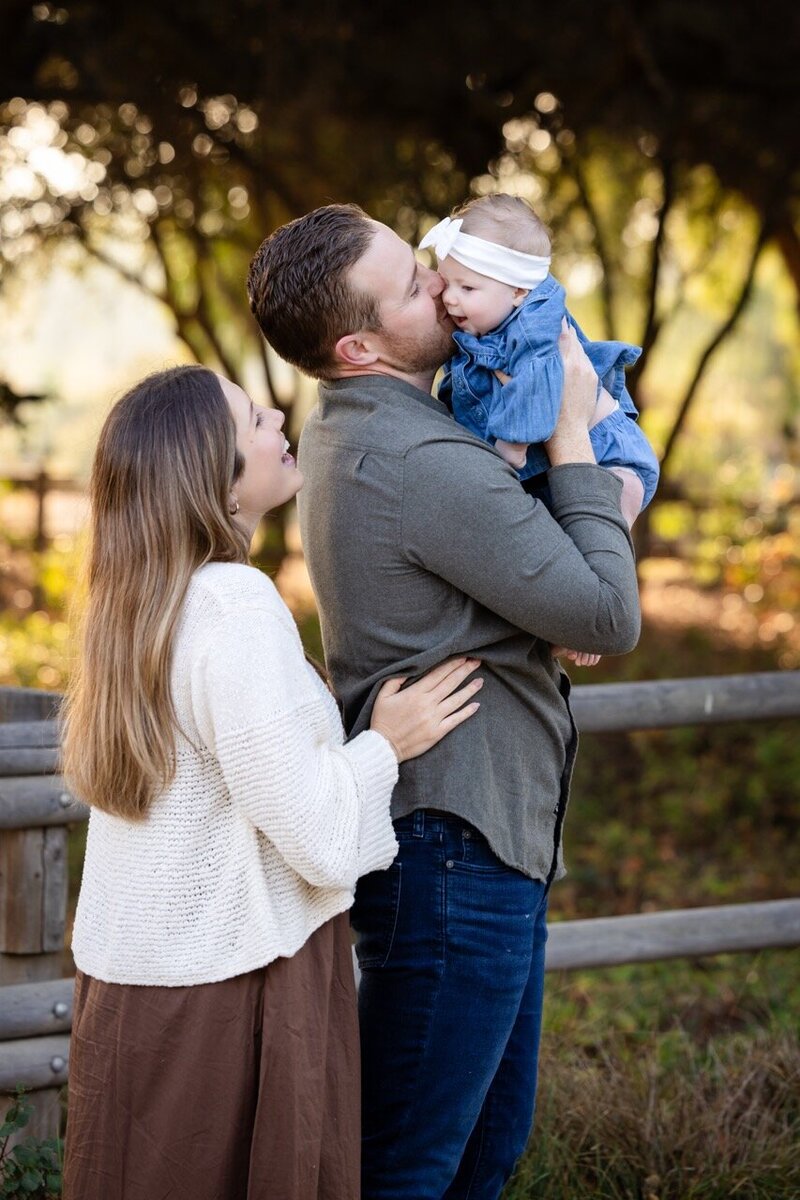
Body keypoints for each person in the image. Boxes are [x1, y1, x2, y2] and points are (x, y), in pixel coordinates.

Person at [247, 204, 641, 1200]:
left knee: (476, 1156)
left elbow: (546, 587)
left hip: (473, 838)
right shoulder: (421, 461)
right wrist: (572, 434)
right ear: (358, 344)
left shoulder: (384, 428)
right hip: (453, 852)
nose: (441, 280)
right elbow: (603, 613)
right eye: (414, 283)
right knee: (412, 1168)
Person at [61, 364, 483, 1200]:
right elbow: (314, 830)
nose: (278, 418)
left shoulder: (143, 604)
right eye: (254, 418)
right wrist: (383, 747)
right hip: (233, 990)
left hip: (130, 993)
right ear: (212, 478)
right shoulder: (232, 604)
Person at [421, 193, 660, 530]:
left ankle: (619, 512)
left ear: (519, 291)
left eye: (468, 288)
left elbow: (536, 382)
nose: (449, 297)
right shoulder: (489, 319)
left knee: (600, 529)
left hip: (605, 451)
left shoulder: (533, 327)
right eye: (447, 282)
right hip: (551, 467)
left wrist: (511, 446)